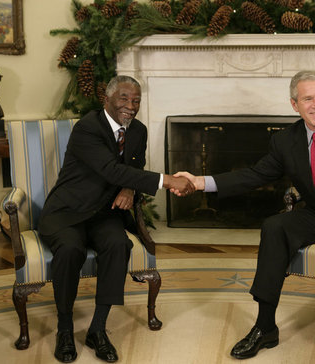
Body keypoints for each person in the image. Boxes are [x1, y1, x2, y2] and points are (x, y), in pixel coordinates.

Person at [174, 70, 315, 364]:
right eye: (308, 99)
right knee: (274, 226)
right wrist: (200, 181)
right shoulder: (286, 141)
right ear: (295, 105)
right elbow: (254, 175)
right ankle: (265, 326)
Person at [38, 75, 194, 363]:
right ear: (106, 99)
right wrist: (167, 180)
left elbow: (133, 167)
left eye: (136, 100)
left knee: (119, 246)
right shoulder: (87, 128)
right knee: (70, 250)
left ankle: (98, 329)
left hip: (105, 212)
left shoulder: (139, 131)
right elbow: (110, 169)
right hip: (69, 212)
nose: (130, 106)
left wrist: (130, 188)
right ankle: (65, 327)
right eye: (123, 98)